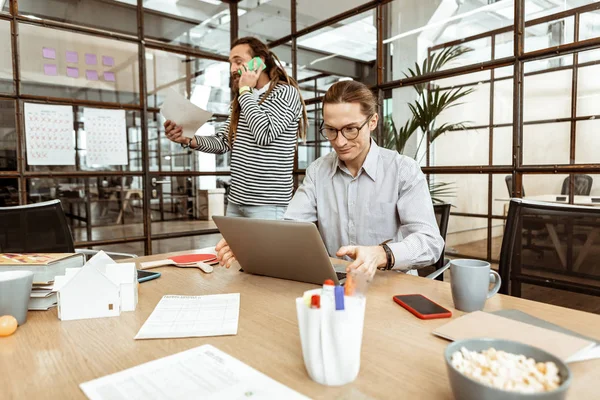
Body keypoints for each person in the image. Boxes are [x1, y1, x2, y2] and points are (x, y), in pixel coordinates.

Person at [216, 80, 444, 280]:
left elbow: (431, 242)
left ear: (373, 122)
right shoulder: (318, 171)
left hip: (391, 284)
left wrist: (382, 254)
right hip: (336, 287)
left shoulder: (403, 170)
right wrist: (252, 244)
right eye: (331, 130)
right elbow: (291, 227)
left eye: (351, 129)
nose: (340, 141)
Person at [163, 37, 308, 220]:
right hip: (236, 201)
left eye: (238, 62)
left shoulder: (285, 93)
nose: (232, 69)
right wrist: (188, 139)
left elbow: (264, 134)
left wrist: (245, 92)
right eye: (230, 63)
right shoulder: (242, 100)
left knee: (264, 250)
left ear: (259, 61)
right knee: (234, 250)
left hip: (268, 204)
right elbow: (224, 142)